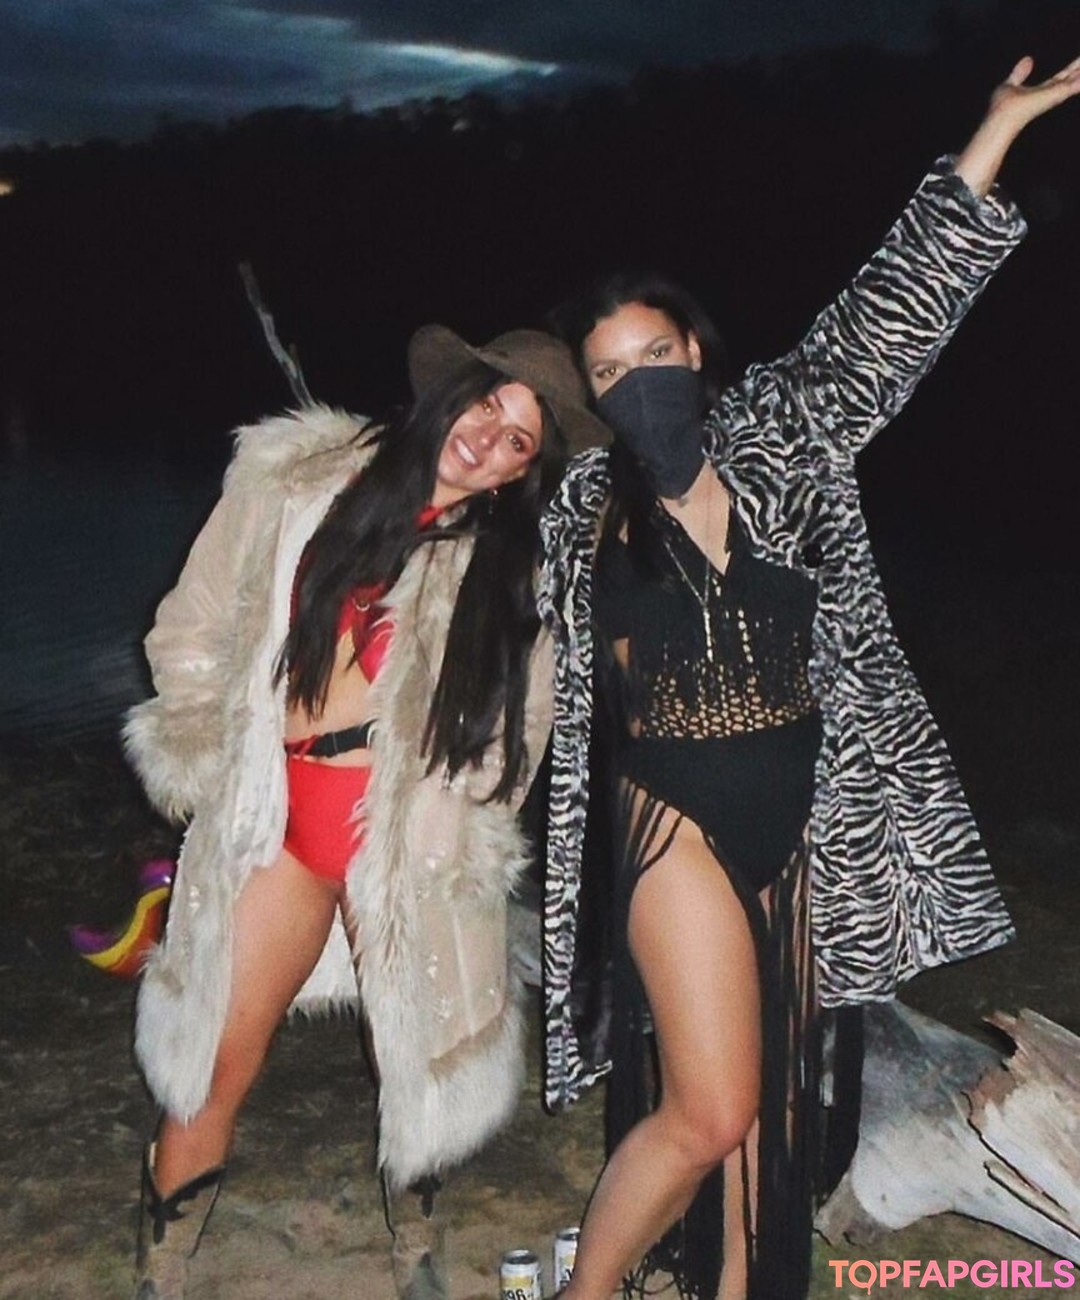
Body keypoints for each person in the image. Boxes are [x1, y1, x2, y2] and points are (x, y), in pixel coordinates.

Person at [539, 56, 1080, 1300]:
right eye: (610, 373)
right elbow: (518, 652)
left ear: (696, 349)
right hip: (669, 816)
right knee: (710, 1108)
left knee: (775, 1104)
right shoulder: (579, 508)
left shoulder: (786, 431)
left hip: (805, 819)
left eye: (654, 352)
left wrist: (995, 130)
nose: (637, 383)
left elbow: (898, 305)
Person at [121, 323, 608, 1300]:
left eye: (519, 439)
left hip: (408, 840)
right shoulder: (296, 478)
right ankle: (164, 1259)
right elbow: (193, 620)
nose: (490, 437)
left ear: (520, 474)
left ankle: (415, 1240)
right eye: (489, 404)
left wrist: (467, 816)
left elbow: (530, 722)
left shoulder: (513, 572)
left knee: (417, 1061)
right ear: (453, 392)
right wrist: (205, 751)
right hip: (279, 819)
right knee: (212, 1056)